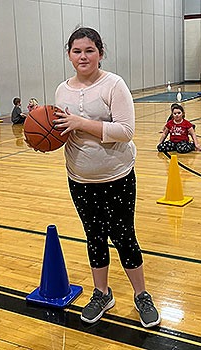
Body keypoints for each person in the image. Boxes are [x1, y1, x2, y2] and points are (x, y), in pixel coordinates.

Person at [52, 27, 160, 328]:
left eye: (89, 50)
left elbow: (126, 132)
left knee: (124, 236)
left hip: (117, 175)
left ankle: (141, 294)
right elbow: (62, 130)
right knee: (94, 236)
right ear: (69, 55)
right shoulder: (62, 90)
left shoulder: (114, 85)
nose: (83, 56)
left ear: (100, 52)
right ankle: (102, 293)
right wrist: (43, 135)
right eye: (77, 51)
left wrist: (81, 122)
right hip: (80, 178)